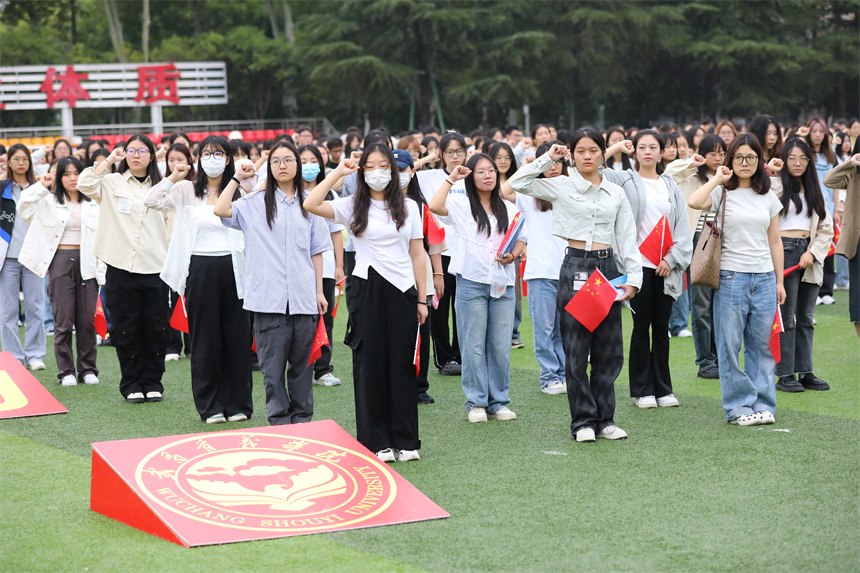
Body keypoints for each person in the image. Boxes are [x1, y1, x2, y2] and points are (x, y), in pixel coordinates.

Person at [508, 128, 642, 443]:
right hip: (575, 267)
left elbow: (627, 236)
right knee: (576, 349)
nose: (586, 156)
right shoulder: (562, 185)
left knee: (609, 349)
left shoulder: (615, 192)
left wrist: (633, 279)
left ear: (602, 152)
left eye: (593, 150)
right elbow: (517, 183)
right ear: (571, 153)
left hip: (608, 269)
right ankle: (582, 421)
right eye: (580, 150)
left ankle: (605, 419)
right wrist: (547, 158)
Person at [305, 143, 426, 463]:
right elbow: (311, 202)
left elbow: (418, 253)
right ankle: (377, 442)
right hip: (366, 288)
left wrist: (423, 299)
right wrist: (337, 172)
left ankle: (405, 439)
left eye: (383, 166)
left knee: (401, 364)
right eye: (369, 166)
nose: (377, 173)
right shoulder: (352, 205)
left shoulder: (410, 207)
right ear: (362, 171)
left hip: (403, 290)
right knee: (370, 365)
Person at [214, 140, 330, 426]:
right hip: (268, 300)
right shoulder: (254, 203)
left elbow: (316, 250)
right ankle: (279, 421)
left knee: (302, 368)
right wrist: (237, 179)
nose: (282, 166)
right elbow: (220, 209)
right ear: (269, 166)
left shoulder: (310, 203)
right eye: (276, 161)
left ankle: (303, 421)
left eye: (289, 160)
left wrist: (318, 291)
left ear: (298, 165)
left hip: (304, 298)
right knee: (272, 370)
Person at [145, 135, 253, 423]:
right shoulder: (186, 190)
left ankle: (238, 404)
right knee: (205, 340)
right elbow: (151, 201)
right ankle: (211, 406)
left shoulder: (240, 190)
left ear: (228, 159)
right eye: (206, 154)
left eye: (219, 154)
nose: (212, 159)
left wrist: (245, 177)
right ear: (199, 158)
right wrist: (172, 176)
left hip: (236, 269)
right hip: (200, 269)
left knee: (236, 338)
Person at [687, 133, 786, 426]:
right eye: (739, 157)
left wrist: (779, 282)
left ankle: (763, 404)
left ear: (760, 161)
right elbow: (694, 201)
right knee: (729, 345)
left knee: (761, 346)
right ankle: (738, 407)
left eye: (751, 157)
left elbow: (775, 242)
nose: (745, 163)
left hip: (765, 278)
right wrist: (717, 178)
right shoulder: (722, 192)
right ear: (731, 159)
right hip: (731, 277)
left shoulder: (768, 196)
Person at [429, 153, 524, 423]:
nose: (488, 175)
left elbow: (521, 240)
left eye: (491, 170)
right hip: (471, 283)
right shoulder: (461, 204)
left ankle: (499, 401)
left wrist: (513, 255)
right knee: (472, 346)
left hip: (503, 285)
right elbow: (435, 206)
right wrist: (451, 178)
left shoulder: (508, 207)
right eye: (481, 171)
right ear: (471, 175)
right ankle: (476, 403)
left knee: (500, 346)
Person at [603, 130, 693, 409]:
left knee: (662, 327)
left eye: (653, 147)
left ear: (663, 151)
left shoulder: (670, 184)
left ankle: (664, 388)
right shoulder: (625, 179)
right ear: (634, 152)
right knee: (641, 327)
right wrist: (615, 146)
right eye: (642, 147)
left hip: (665, 266)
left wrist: (672, 259)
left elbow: (681, 226)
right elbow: (594, 167)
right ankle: (643, 389)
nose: (648, 152)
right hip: (637, 266)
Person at [78, 135, 170, 403]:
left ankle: (153, 382)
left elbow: (172, 222)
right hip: (120, 266)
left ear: (152, 156)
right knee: (126, 329)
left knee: (155, 329)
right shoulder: (111, 182)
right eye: (131, 150)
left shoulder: (164, 186)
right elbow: (85, 183)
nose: (136, 155)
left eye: (142, 151)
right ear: (124, 154)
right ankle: (131, 383)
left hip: (155, 266)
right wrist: (108, 160)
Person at [18, 157, 104, 386]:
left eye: (76, 173)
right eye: (66, 174)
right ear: (59, 177)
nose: (73, 178)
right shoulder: (47, 201)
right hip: (60, 260)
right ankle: (66, 371)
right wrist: (40, 184)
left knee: (87, 320)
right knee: (63, 319)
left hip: (87, 261)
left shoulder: (94, 202)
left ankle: (87, 369)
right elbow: (23, 206)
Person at [767, 138, 834, 392]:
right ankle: (785, 374)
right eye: (792, 158)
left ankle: (805, 371)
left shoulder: (815, 190)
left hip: (809, 256)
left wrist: (813, 253)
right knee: (787, 318)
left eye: (803, 159)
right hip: (783, 253)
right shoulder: (774, 185)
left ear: (809, 161)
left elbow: (826, 228)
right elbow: (754, 188)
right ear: (784, 159)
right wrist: (768, 169)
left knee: (806, 317)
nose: (797, 163)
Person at [664, 135, 728, 377]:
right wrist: (692, 161)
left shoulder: (730, 179)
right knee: (701, 304)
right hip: (699, 241)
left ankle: (721, 358)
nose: (718, 157)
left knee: (721, 305)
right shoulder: (692, 178)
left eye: (721, 152)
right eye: (712, 152)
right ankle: (705, 361)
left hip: (725, 243)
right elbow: (670, 171)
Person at [508, 142, 567, 395]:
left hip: (570, 270)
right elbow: (506, 188)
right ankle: (549, 377)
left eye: (559, 162)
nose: (554, 167)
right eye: (549, 162)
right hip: (540, 271)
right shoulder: (528, 193)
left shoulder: (571, 188)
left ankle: (566, 374)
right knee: (545, 328)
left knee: (567, 329)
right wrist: (533, 165)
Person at [395, 148, 446, 404]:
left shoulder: (421, 205)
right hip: (391, 274)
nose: (397, 175)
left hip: (420, 274)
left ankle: (419, 386)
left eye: (401, 170)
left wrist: (438, 274)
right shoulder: (377, 204)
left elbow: (433, 242)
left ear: (411, 171)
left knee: (421, 332)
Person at [417, 132, 468, 376]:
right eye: (449, 152)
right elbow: (400, 171)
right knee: (439, 308)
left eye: (459, 151)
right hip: (441, 254)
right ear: (442, 154)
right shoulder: (430, 177)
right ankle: (445, 358)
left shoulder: (472, 177)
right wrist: (428, 158)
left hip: (467, 254)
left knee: (463, 308)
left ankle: (461, 354)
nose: (455, 156)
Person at [297, 144, 345, 387]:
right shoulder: (290, 193)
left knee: (324, 319)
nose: (308, 166)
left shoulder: (330, 196)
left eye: (313, 160)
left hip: (324, 268)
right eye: (302, 160)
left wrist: (339, 266)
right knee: (300, 319)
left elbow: (336, 234)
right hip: (296, 267)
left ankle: (323, 369)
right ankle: (300, 367)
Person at [0, 144, 47, 370]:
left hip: (33, 258)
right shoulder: (1, 188)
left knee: (35, 308)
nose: (21, 163)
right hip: (6, 259)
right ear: (8, 162)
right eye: (16, 158)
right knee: (8, 311)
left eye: (25, 159)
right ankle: (13, 357)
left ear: (30, 162)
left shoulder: (38, 189)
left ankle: (35, 355)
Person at [823, 152, 860, 341]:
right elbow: (828, 180)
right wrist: (849, 163)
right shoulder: (853, 173)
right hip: (857, 243)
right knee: (858, 304)